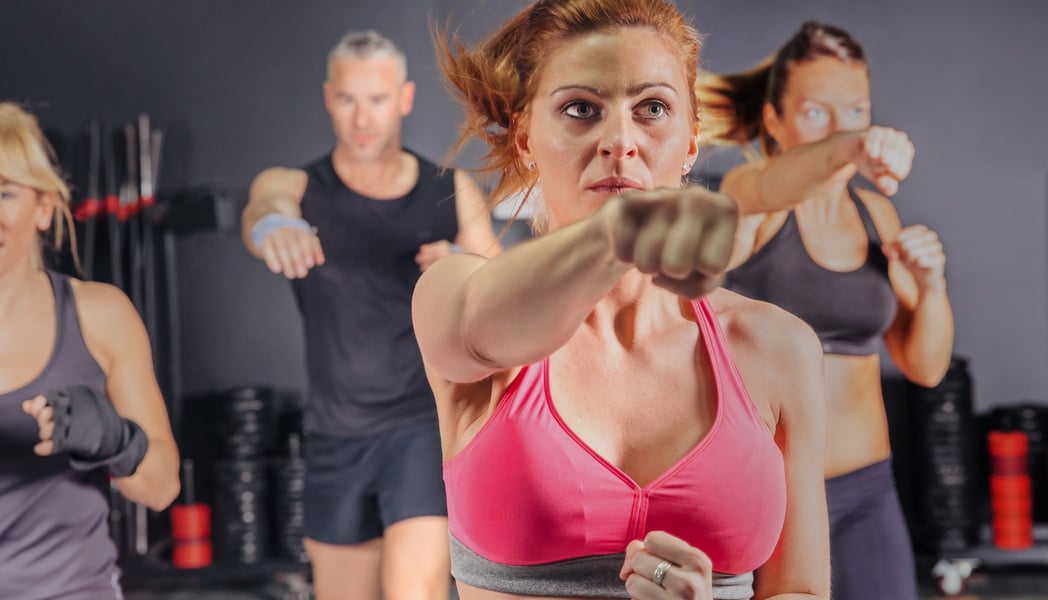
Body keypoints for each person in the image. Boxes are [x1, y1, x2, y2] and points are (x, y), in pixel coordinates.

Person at [414, 1, 830, 598]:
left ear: (691, 142)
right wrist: (620, 229)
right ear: (527, 135)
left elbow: (802, 590)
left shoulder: (778, 347)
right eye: (581, 109)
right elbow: (479, 327)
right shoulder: (456, 295)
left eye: (652, 108)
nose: (620, 140)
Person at [240, 30, 500, 600]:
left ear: (403, 99)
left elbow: (504, 290)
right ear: (330, 98)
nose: (363, 117)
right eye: (349, 99)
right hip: (334, 435)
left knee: (414, 593)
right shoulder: (296, 186)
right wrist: (272, 227)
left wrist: (467, 267)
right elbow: (265, 205)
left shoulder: (450, 190)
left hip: (420, 429)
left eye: (377, 100)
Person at [700, 21, 954, 600]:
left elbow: (926, 368)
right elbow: (770, 183)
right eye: (818, 112)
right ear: (774, 121)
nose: (843, 129)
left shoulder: (875, 216)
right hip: (769, 498)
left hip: (868, 491)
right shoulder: (750, 196)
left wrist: (932, 285)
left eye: (857, 111)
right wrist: (849, 147)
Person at [0, 102, 180, 599]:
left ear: (42, 208)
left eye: (3, 192)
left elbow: (162, 487)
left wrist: (115, 439)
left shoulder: (99, 316)